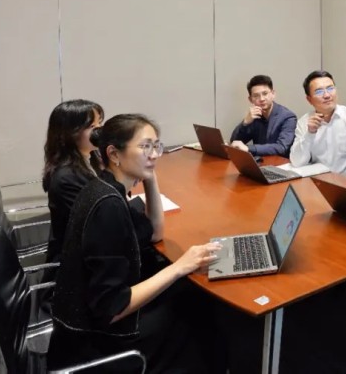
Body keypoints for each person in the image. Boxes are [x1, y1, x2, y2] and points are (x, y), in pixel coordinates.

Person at [48, 114, 223, 373]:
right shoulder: (108, 206)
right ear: (114, 154)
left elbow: (155, 232)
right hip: (95, 341)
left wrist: (150, 176)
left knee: (190, 293)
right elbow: (111, 309)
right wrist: (179, 267)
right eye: (145, 147)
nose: (154, 155)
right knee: (197, 308)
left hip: (84, 322)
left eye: (156, 146)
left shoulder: (105, 186)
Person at [42, 99, 105, 266]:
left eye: (100, 123)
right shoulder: (67, 178)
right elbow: (99, 227)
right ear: (70, 133)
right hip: (79, 264)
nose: (100, 130)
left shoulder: (89, 158)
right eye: (92, 126)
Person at [229, 74, 297, 157]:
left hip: (280, 162)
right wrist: (245, 123)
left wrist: (249, 148)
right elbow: (235, 142)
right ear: (250, 99)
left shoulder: (288, 117)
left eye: (265, 93)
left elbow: (281, 147)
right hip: (260, 161)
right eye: (256, 96)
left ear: (273, 94)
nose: (261, 99)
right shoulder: (254, 116)